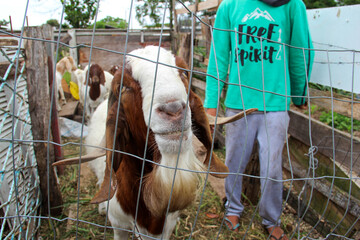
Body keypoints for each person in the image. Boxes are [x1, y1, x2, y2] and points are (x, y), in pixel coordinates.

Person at [204, 0, 314, 239]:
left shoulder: (292, 4)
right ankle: (232, 208)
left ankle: (271, 218)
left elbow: (300, 50)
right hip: (238, 102)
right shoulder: (229, 6)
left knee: (272, 167)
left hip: (275, 102)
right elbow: (218, 57)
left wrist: (299, 91)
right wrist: (211, 103)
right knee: (234, 161)